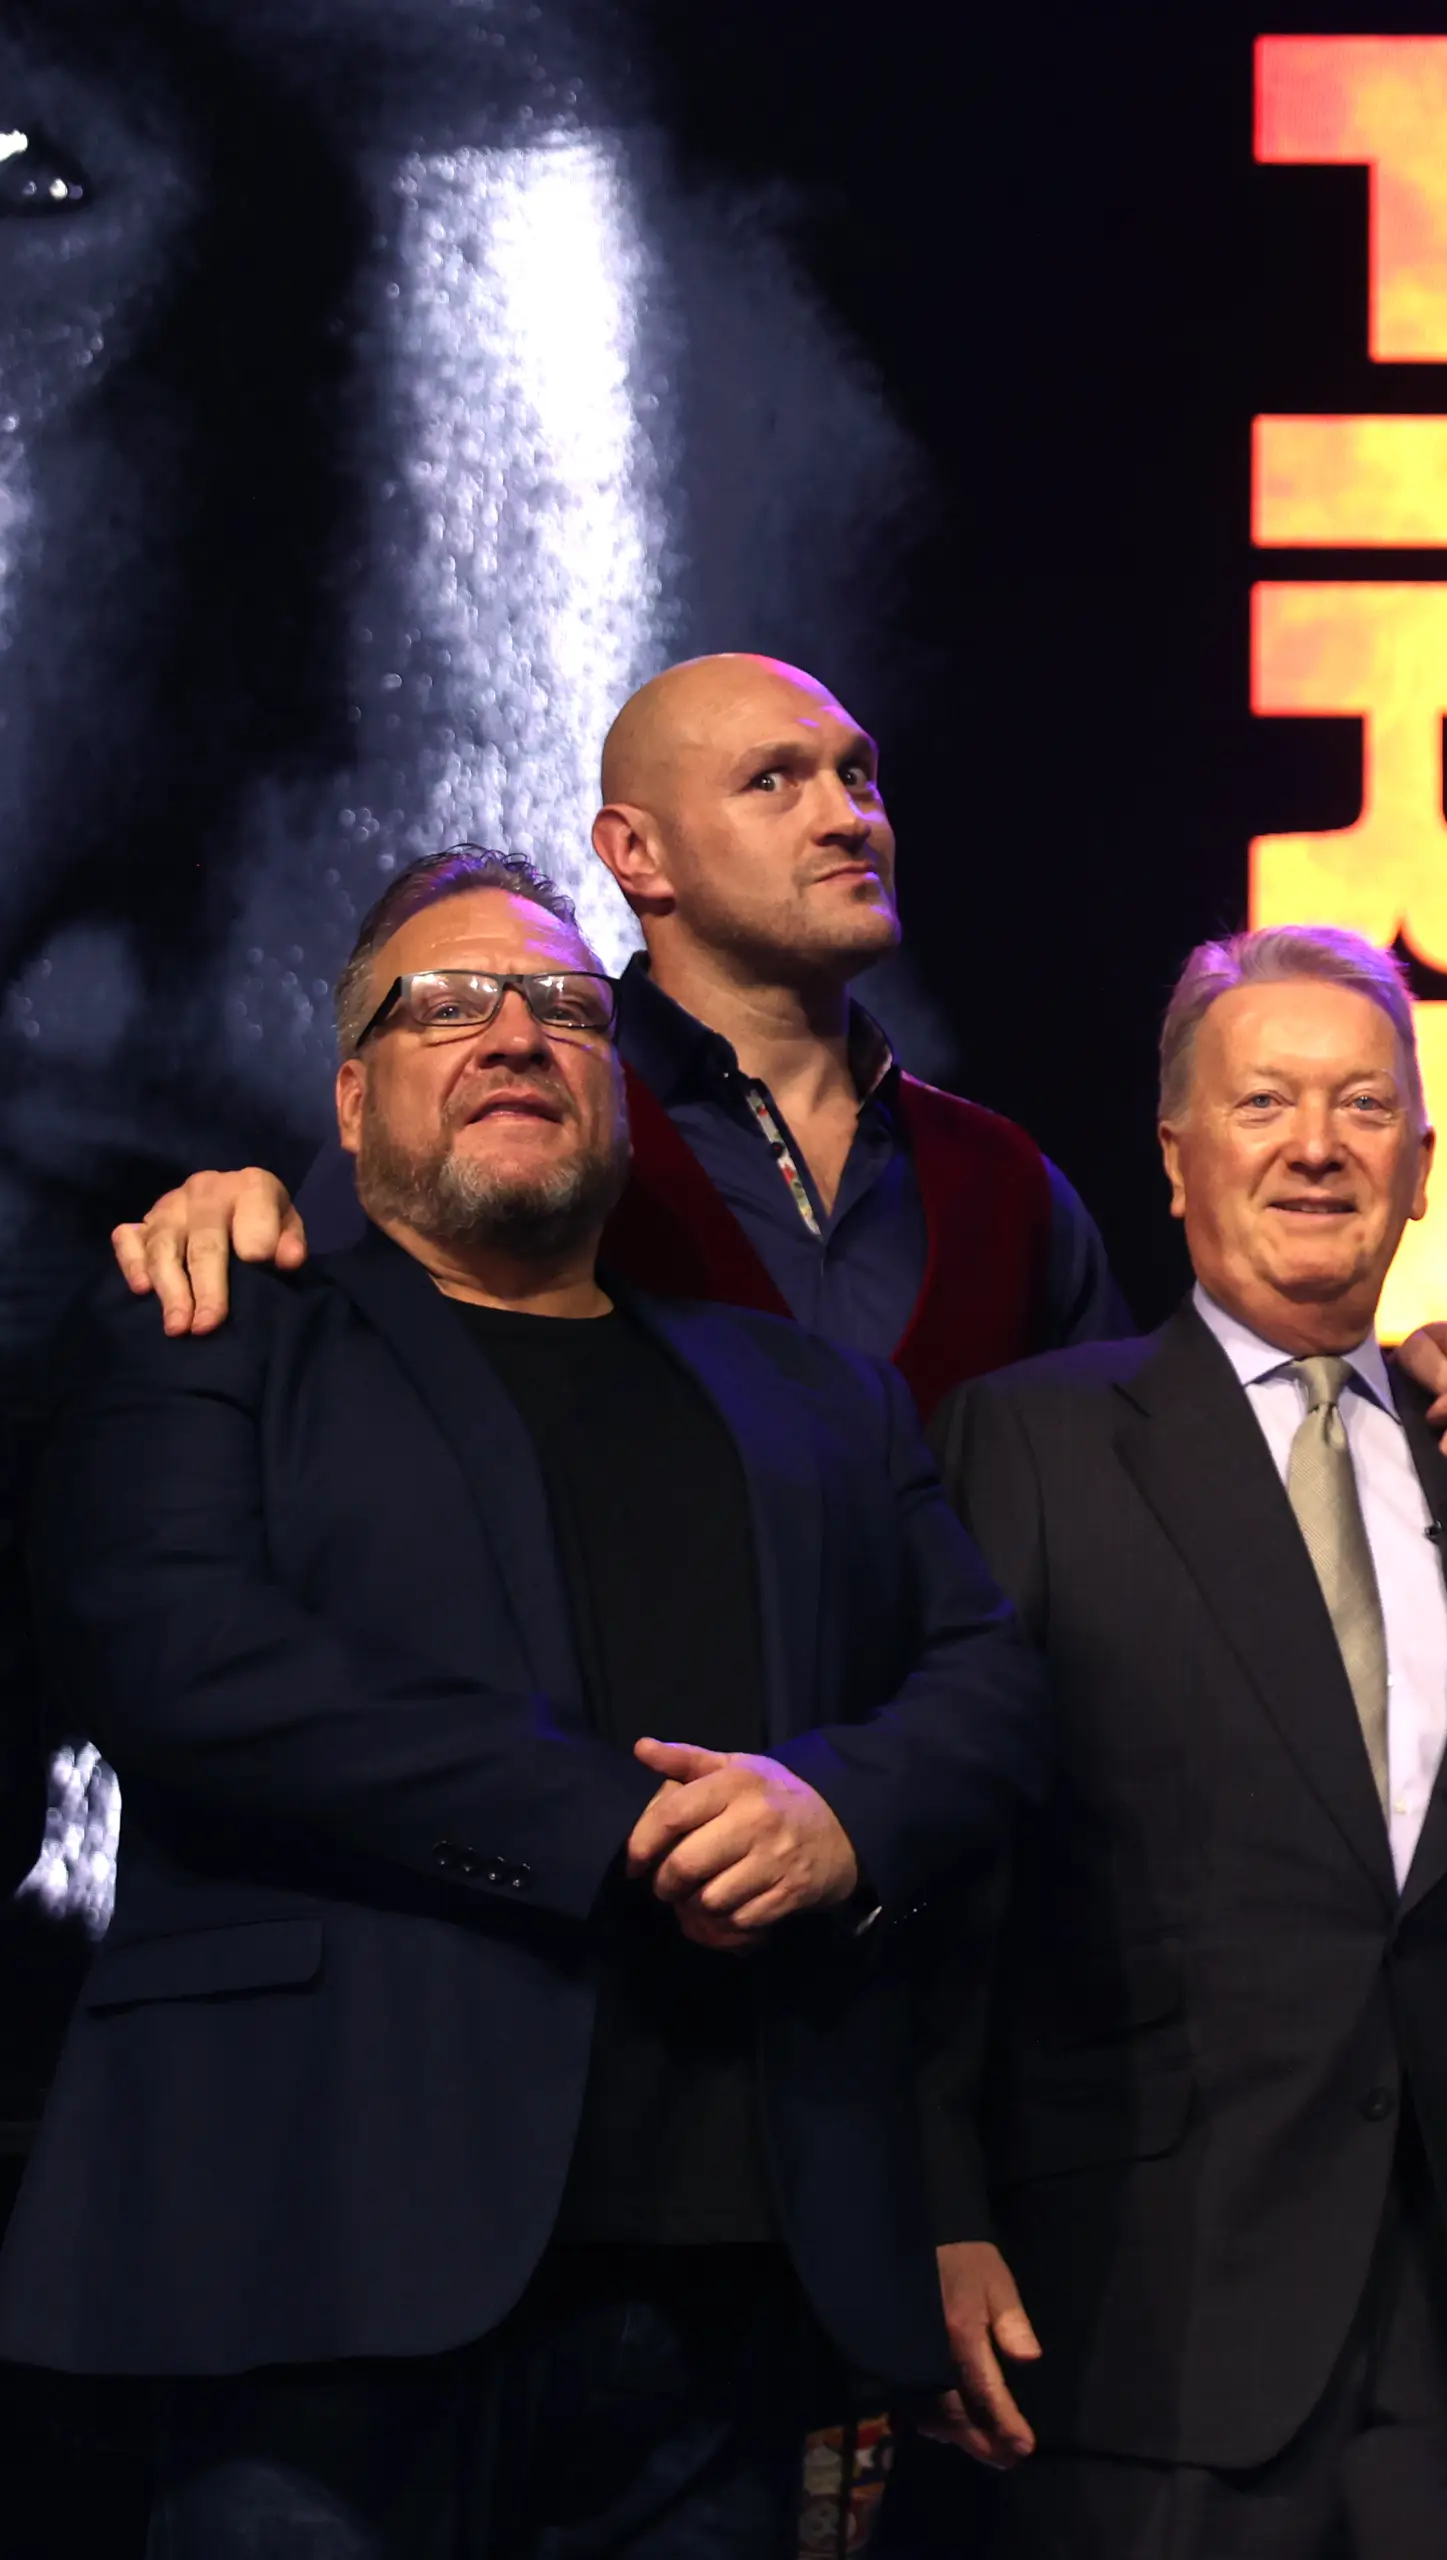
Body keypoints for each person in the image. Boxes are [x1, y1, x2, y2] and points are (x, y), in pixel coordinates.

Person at [0, 844, 1051, 2552]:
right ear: (350, 1103)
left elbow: (992, 1684)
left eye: (565, 1007)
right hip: (310, 2266)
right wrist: (614, 1826)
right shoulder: (217, 1326)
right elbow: (175, 1656)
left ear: (623, 1103)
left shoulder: (813, 1399)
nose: (513, 1032)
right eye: (445, 1005)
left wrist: (836, 1815)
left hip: (721, 2303)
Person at [98, 653, 1447, 1453]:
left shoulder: (1001, 1181)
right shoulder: (520, 1121)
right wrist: (238, 1209)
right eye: (775, 781)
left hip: (944, 1890)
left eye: (859, 774)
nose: (847, 814)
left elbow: (1158, 1481)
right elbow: (322, 1394)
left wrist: (1388, 1378)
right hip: (621, 1875)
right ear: (636, 853)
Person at [916, 925, 1447, 2559]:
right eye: (1266, 1104)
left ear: (1425, 1165)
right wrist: (938, 2217)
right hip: (1141, 2317)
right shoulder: (1031, 1443)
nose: (1316, 1145)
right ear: (1174, 1159)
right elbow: (949, 1869)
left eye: (1364, 1107)